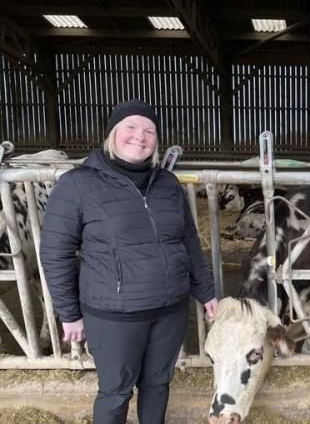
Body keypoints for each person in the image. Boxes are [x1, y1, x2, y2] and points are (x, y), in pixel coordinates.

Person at [40, 100, 218, 424]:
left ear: (157, 141)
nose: (140, 136)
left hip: (169, 309)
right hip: (114, 314)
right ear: (112, 134)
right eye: (131, 127)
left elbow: (189, 241)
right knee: (116, 391)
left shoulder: (167, 184)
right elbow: (55, 252)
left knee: (158, 385)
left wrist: (206, 292)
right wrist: (69, 314)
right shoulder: (77, 184)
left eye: (149, 130)